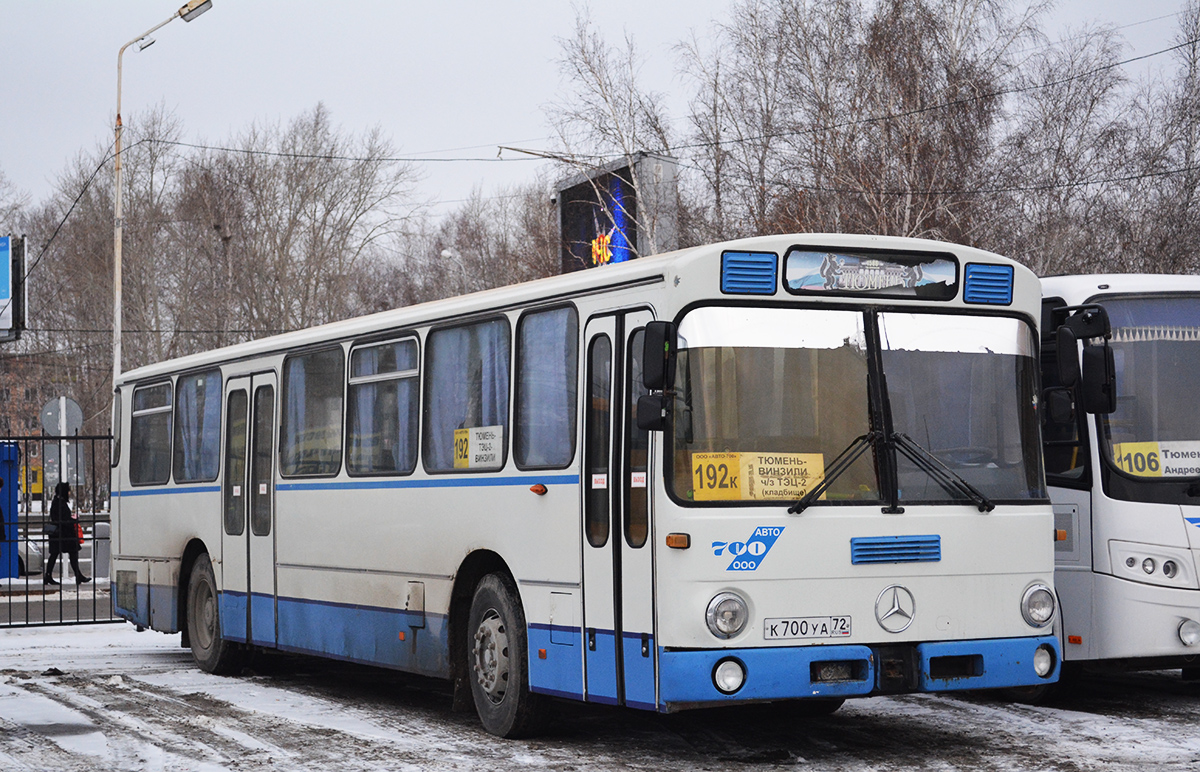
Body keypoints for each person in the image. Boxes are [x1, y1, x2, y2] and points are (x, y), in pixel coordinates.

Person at [44, 482, 89, 585]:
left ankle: (49, 576)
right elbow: (63, 520)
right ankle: (77, 576)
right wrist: (74, 520)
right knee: (71, 553)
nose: (69, 493)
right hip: (63, 534)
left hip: (60, 534)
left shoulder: (57, 501)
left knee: (56, 554)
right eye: (68, 491)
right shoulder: (60, 503)